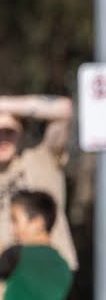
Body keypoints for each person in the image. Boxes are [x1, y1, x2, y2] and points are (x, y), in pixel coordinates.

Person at [0, 95, 78, 271]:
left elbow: (64, 110)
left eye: (9, 132)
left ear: (21, 132)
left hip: (46, 273)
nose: (2, 139)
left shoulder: (41, 160)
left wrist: (4, 104)